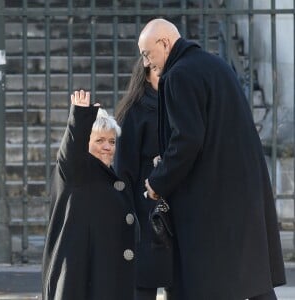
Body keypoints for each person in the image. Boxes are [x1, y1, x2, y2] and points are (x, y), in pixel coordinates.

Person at [139, 18, 286, 300]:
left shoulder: (178, 75)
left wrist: (158, 181)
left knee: (204, 282)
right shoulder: (216, 65)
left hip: (210, 200)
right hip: (243, 191)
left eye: (147, 54)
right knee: (251, 280)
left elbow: (187, 139)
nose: (146, 63)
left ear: (165, 43)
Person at [42, 90, 136, 300]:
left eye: (112, 142)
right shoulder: (75, 172)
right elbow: (71, 152)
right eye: (100, 140)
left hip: (104, 279)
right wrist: (80, 117)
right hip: (78, 280)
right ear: (85, 142)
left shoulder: (110, 177)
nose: (107, 147)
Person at [114, 57, 173, 300]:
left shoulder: (181, 104)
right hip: (144, 211)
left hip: (178, 211)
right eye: (158, 70)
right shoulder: (134, 111)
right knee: (143, 286)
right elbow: (123, 171)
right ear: (146, 72)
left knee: (180, 284)